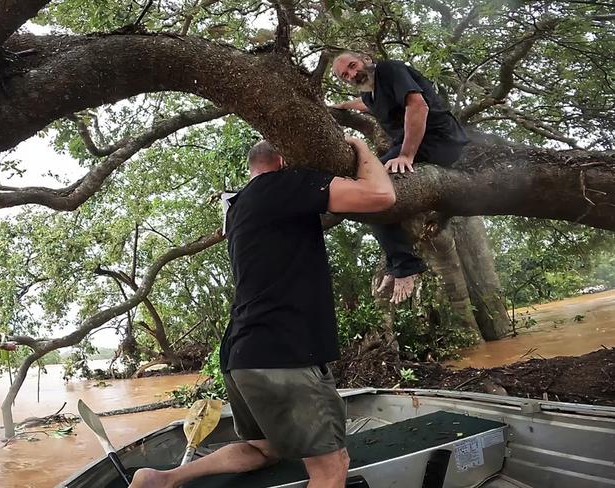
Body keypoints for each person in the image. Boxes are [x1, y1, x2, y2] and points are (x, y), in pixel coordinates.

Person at [128, 137, 395, 488]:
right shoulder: (283, 185)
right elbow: (381, 196)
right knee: (332, 466)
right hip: (283, 352)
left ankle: (164, 478)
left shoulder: (238, 207)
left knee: (263, 449)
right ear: (284, 161)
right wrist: (359, 146)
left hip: (241, 353)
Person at [331, 51, 469, 304]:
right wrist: (343, 106)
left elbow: (418, 105)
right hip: (419, 144)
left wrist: (406, 155)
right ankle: (397, 263)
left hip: (437, 140)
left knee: (370, 191)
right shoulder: (369, 92)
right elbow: (368, 104)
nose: (352, 74)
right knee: (364, 194)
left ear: (365, 58)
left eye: (352, 66)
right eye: (345, 75)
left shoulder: (391, 70)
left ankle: (405, 265)